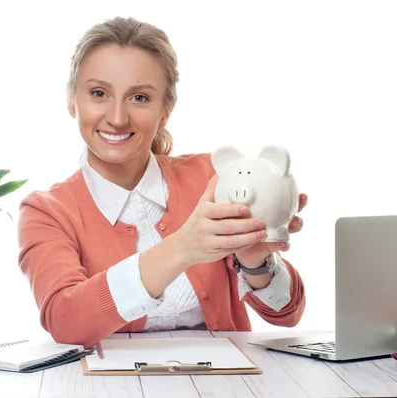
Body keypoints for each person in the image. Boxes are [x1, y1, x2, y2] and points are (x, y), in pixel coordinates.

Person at [17, 16, 308, 348]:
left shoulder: (211, 178)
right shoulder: (46, 211)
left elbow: (287, 315)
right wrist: (183, 247)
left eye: (139, 98)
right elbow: (65, 321)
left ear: (165, 111)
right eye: (99, 93)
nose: (116, 117)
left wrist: (255, 260)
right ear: (72, 101)